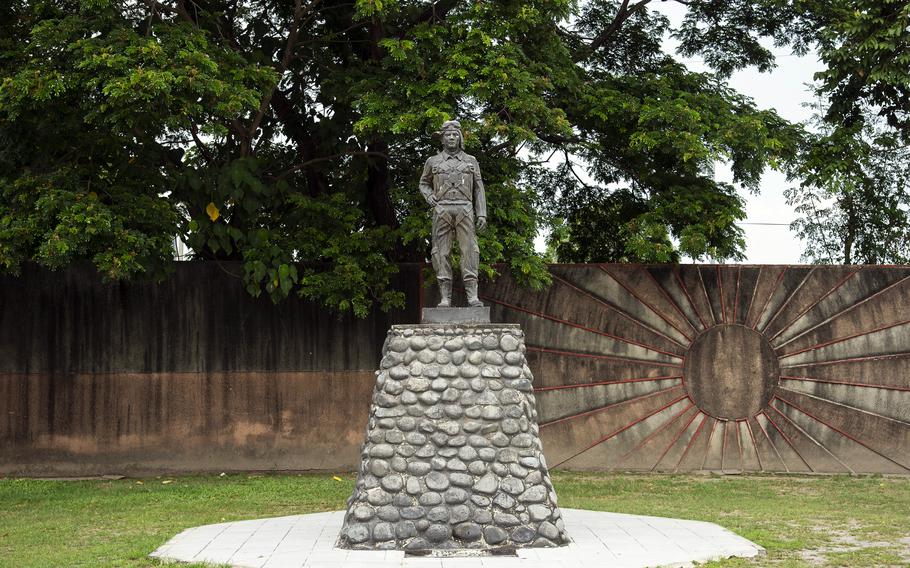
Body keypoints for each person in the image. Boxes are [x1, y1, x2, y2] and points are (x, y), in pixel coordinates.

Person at [419, 120, 487, 307]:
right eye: (447, 135)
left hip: (465, 209)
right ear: (442, 139)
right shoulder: (432, 161)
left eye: (455, 134)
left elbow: (479, 188)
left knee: (470, 252)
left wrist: (482, 213)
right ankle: (445, 298)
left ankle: (472, 297)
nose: (451, 137)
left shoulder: (471, 161)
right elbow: (423, 183)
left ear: (460, 137)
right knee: (441, 253)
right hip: (441, 210)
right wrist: (429, 196)